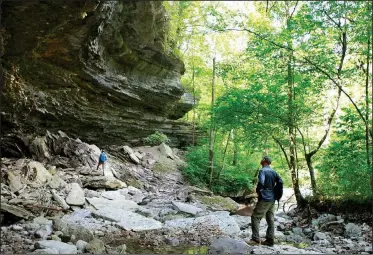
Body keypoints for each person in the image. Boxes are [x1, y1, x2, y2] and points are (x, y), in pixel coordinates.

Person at [248, 156, 283, 246]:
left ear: (264, 161)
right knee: (270, 219)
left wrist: (259, 191)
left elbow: (261, 182)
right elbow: (280, 181)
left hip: (265, 197)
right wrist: (276, 192)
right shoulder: (274, 171)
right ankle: (270, 240)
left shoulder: (262, 171)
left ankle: (255, 239)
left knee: (255, 217)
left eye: (262, 159)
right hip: (272, 198)